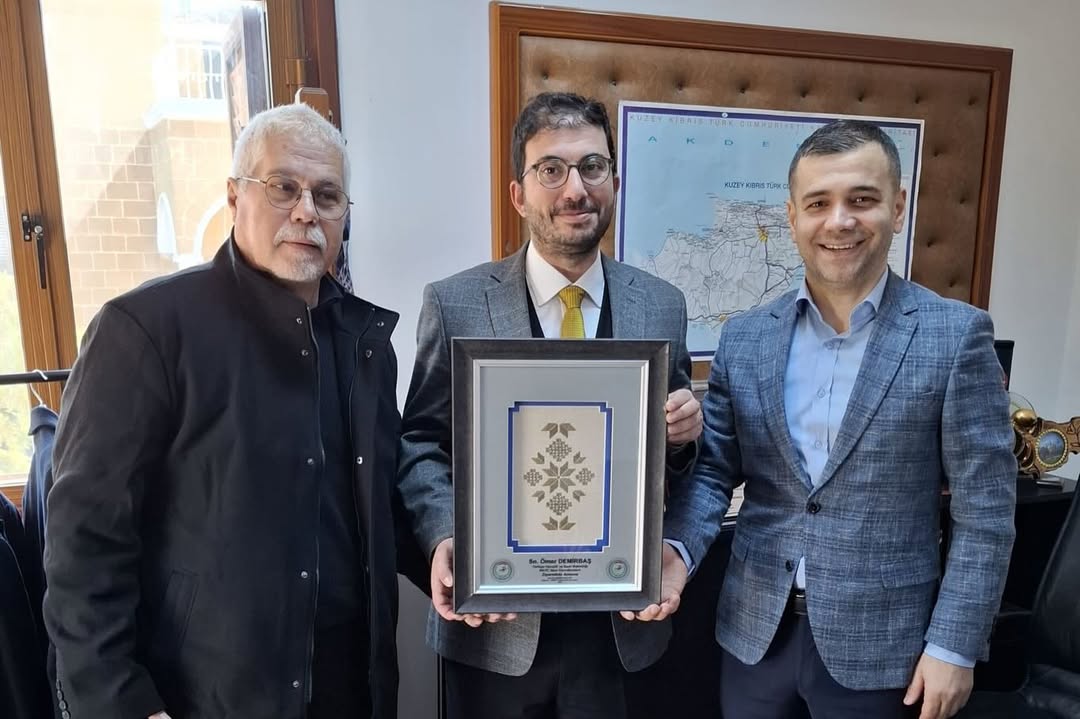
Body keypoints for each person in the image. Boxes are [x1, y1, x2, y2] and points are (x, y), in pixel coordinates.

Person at [44, 103, 403, 719]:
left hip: (350, 691)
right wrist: (121, 704)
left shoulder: (365, 343)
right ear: (235, 196)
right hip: (201, 699)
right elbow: (84, 545)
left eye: (327, 195)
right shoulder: (147, 330)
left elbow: (381, 504)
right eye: (283, 187)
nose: (306, 211)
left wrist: (457, 549)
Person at [663, 119, 1017, 719]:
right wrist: (677, 551)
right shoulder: (745, 338)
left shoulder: (956, 336)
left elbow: (985, 510)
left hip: (887, 649)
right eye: (818, 203)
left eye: (862, 199)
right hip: (754, 636)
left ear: (897, 207)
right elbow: (714, 472)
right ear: (792, 217)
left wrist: (954, 645)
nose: (839, 221)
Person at [397, 92, 702, 719]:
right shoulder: (454, 303)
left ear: (614, 183)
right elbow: (420, 442)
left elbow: (673, 468)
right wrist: (446, 536)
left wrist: (682, 439)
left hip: (619, 630)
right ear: (519, 194)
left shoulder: (662, 306)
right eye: (551, 170)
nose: (575, 189)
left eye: (592, 167)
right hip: (495, 633)